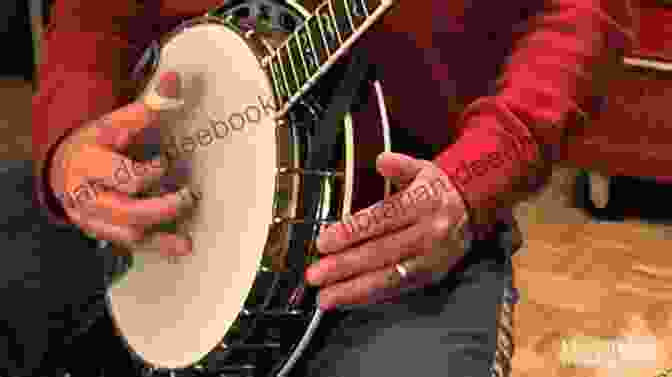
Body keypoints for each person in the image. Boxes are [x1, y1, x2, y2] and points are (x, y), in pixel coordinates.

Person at [1, 0, 633, 376]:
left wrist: (477, 176)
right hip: (157, 185)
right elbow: (91, 16)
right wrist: (72, 141)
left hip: (397, 225)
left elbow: (585, 11)